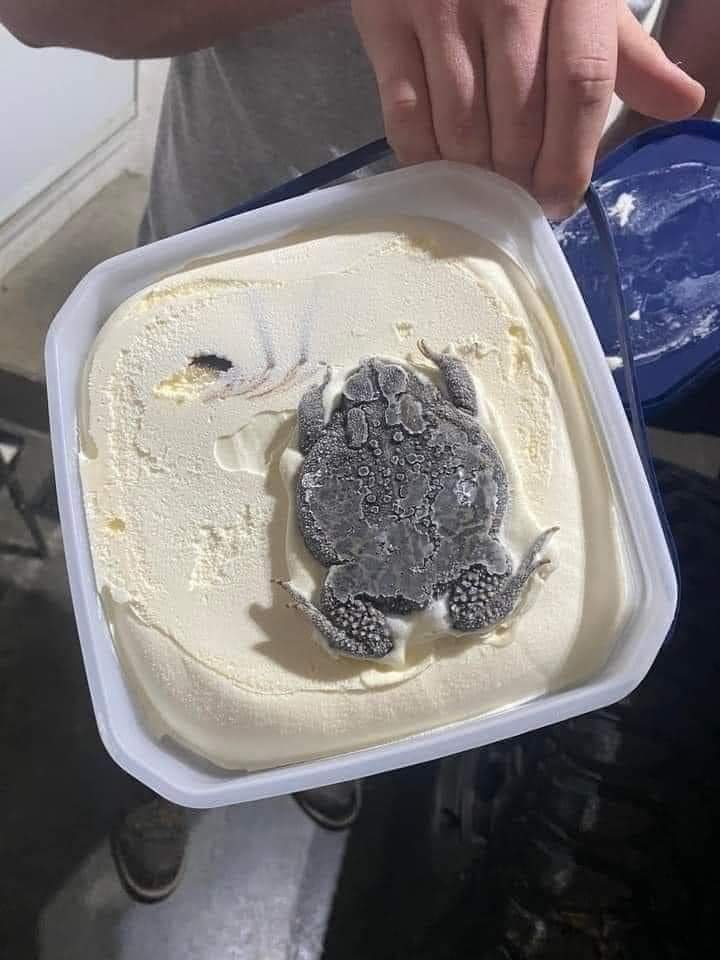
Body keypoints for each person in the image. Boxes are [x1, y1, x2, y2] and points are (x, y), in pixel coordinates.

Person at [1, 0, 713, 904]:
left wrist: (635, 150)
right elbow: (36, 14)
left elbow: (693, 68)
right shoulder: (361, 433)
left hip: (506, 256)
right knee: (186, 696)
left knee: (372, 707)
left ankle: (337, 756)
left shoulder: (348, 443)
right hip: (218, 258)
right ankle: (173, 788)